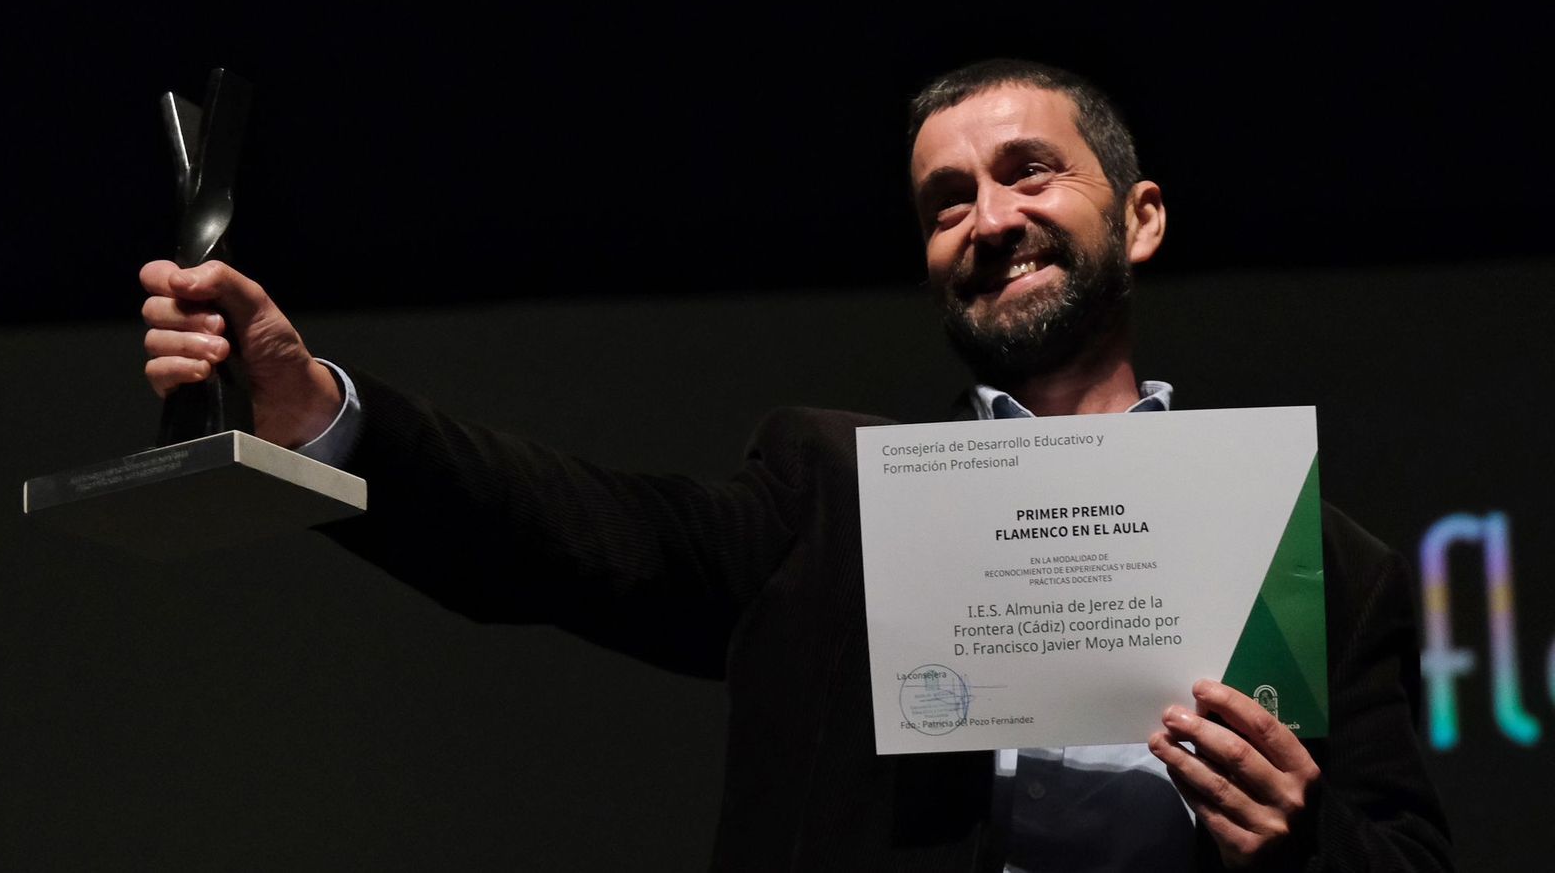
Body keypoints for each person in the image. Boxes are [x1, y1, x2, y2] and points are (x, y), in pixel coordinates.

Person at [139, 59, 1452, 871]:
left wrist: (1304, 847)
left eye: (1027, 175)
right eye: (946, 202)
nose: (987, 221)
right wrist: (317, 408)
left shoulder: (1320, 563)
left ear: (1142, 217)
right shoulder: (838, 497)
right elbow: (586, 537)